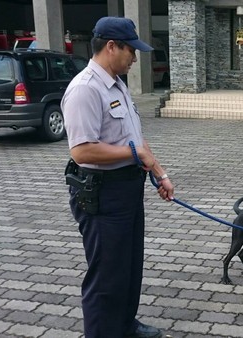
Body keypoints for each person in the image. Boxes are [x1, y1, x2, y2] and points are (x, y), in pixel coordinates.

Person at [62, 16, 174, 338]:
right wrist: (134, 155)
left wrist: (159, 172)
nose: (135, 59)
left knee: (128, 268)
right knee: (106, 277)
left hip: (127, 191)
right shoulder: (85, 89)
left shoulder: (118, 85)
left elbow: (135, 139)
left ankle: (124, 325)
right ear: (111, 47)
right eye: (131, 51)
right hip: (102, 195)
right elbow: (82, 151)